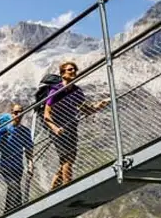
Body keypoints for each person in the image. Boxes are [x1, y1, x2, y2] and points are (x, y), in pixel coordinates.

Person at [43, 61, 110, 190]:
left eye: (74, 69)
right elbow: (47, 114)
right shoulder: (56, 90)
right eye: (70, 70)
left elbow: (86, 110)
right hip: (58, 128)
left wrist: (99, 106)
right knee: (67, 157)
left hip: (71, 126)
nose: (73, 71)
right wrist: (55, 128)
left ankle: (52, 190)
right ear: (63, 74)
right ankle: (68, 188)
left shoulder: (77, 91)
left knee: (69, 160)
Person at [0, 105, 34, 214]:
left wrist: (30, 164)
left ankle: (14, 213)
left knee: (15, 188)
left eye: (20, 112)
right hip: (4, 165)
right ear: (11, 113)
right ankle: (12, 214)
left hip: (18, 166)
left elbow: (29, 150)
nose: (18, 114)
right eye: (16, 112)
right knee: (14, 186)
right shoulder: (4, 128)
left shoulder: (25, 131)